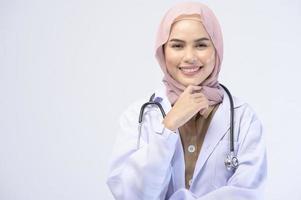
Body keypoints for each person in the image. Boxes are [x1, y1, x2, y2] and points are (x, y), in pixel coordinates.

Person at [106, 2, 267, 200]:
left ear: (216, 49)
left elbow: (248, 193)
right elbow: (131, 195)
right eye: (177, 45)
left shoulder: (243, 118)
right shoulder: (137, 116)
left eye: (201, 45)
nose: (189, 57)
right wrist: (169, 126)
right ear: (163, 51)